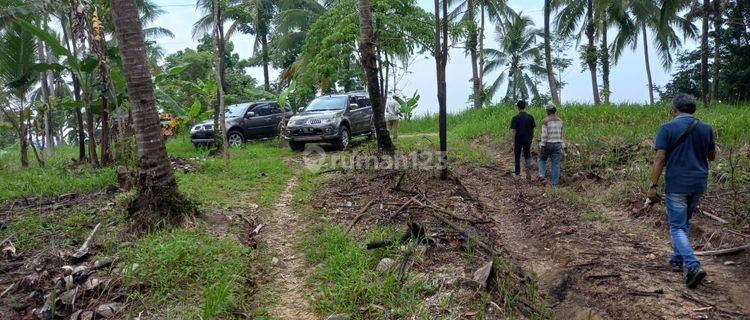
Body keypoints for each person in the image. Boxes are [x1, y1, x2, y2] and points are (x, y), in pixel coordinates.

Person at [647, 93, 716, 289]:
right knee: (683, 223)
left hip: (677, 184)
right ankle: (677, 259)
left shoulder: (666, 128)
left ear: (674, 110)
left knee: (676, 227)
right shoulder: (706, 128)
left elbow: (660, 158)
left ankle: (693, 266)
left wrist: (652, 186)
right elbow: (711, 156)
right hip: (699, 184)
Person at [537, 103, 563, 186]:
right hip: (558, 144)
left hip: (548, 143)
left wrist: (542, 145)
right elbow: (562, 134)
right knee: (556, 164)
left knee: (541, 159)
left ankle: (541, 175)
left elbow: (544, 135)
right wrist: (563, 145)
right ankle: (554, 184)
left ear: (548, 111)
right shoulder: (560, 121)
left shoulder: (545, 121)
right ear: (554, 111)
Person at [510, 100, 535, 180]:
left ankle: (517, 174)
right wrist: (531, 138)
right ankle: (528, 170)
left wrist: (513, 142)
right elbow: (533, 130)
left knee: (517, 156)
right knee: (527, 154)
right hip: (528, 139)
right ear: (525, 106)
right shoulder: (530, 117)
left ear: (518, 107)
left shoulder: (515, 118)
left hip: (518, 140)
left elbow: (514, 131)